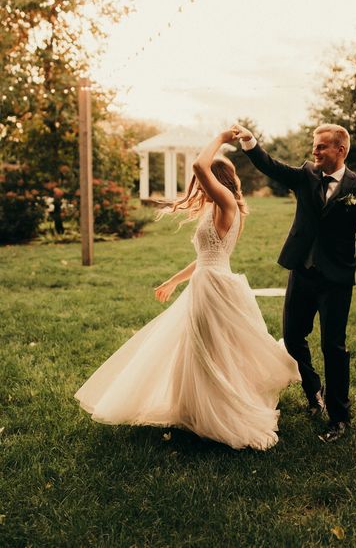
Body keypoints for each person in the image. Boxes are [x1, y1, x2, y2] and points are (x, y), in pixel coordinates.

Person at [74, 130, 299, 451]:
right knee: (200, 348)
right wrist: (173, 280)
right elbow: (206, 256)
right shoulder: (215, 208)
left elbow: (198, 165)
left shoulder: (226, 205)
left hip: (215, 288)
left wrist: (221, 138)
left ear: (217, 181)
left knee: (211, 350)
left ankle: (221, 413)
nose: (197, 187)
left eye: (204, 182)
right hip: (206, 281)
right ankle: (195, 408)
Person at [232, 122, 356, 443]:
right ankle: (312, 389)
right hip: (301, 273)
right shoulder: (305, 175)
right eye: (314, 145)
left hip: (336, 280)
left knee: (333, 346)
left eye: (321, 146)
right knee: (292, 337)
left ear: (340, 150)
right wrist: (250, 142)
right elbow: (270, 166)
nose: (314, 151)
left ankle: (339, 417)